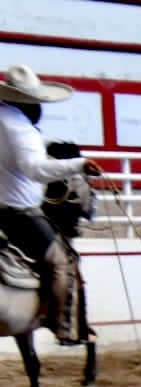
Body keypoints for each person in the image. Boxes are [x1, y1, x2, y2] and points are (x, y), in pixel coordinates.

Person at [0, 64, 103, 344]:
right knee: (63, 260)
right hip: (20, 215)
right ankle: (65, 328)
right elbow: (36, 170)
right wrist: (79, 165)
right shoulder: (21, 129)